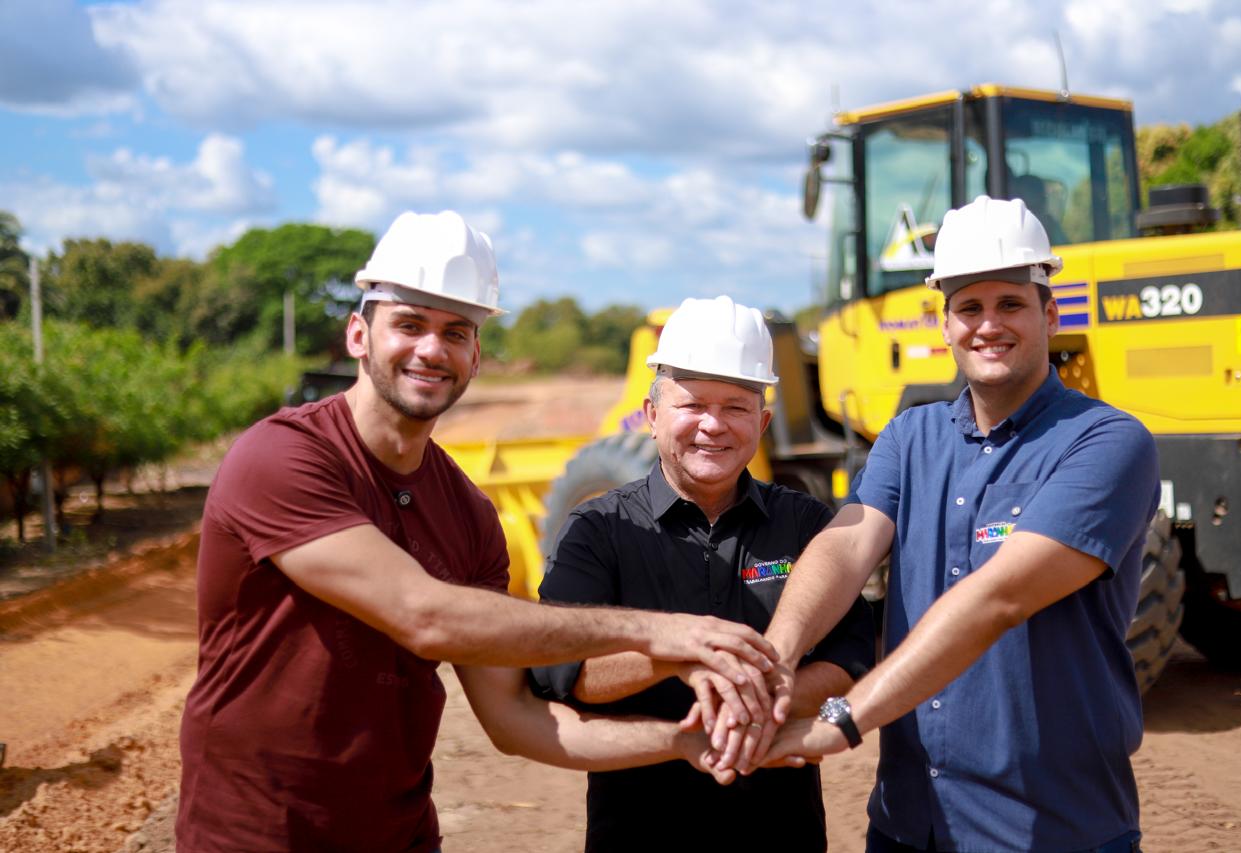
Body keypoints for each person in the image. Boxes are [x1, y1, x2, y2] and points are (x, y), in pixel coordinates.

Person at [176, 212, 778, 852]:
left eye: (455, 332)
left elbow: (515, 719)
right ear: (358, 334)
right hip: (257, 835)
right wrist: (663, 632)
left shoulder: (466, 514)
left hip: (400, 836)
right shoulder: (284, 457)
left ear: (475, 357)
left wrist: (683, 743)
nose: (432, 349)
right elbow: (424, 615)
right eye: (409, 324)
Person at [759, 196, 1158, 853]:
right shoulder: (908, 436)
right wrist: (775, 659)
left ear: (1049, 314)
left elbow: (999, 597)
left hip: (1051, 830)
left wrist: (845, 718)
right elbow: (845, 545)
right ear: (943, 324)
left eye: (1011, 304)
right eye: (969, 307)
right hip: (907, 826)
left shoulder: (1106, 442)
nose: (988, 324)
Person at [531, 296, 876, 852]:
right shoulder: (598, 530)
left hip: (780, 834)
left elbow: (852, 656)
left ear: (762, 422)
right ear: (652, 415)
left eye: (736, 407)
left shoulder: (805, 523)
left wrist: (760, 702)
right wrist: (680, 658)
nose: (713, 425)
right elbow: (565, 671)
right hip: (639, 833)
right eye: (692, 405)